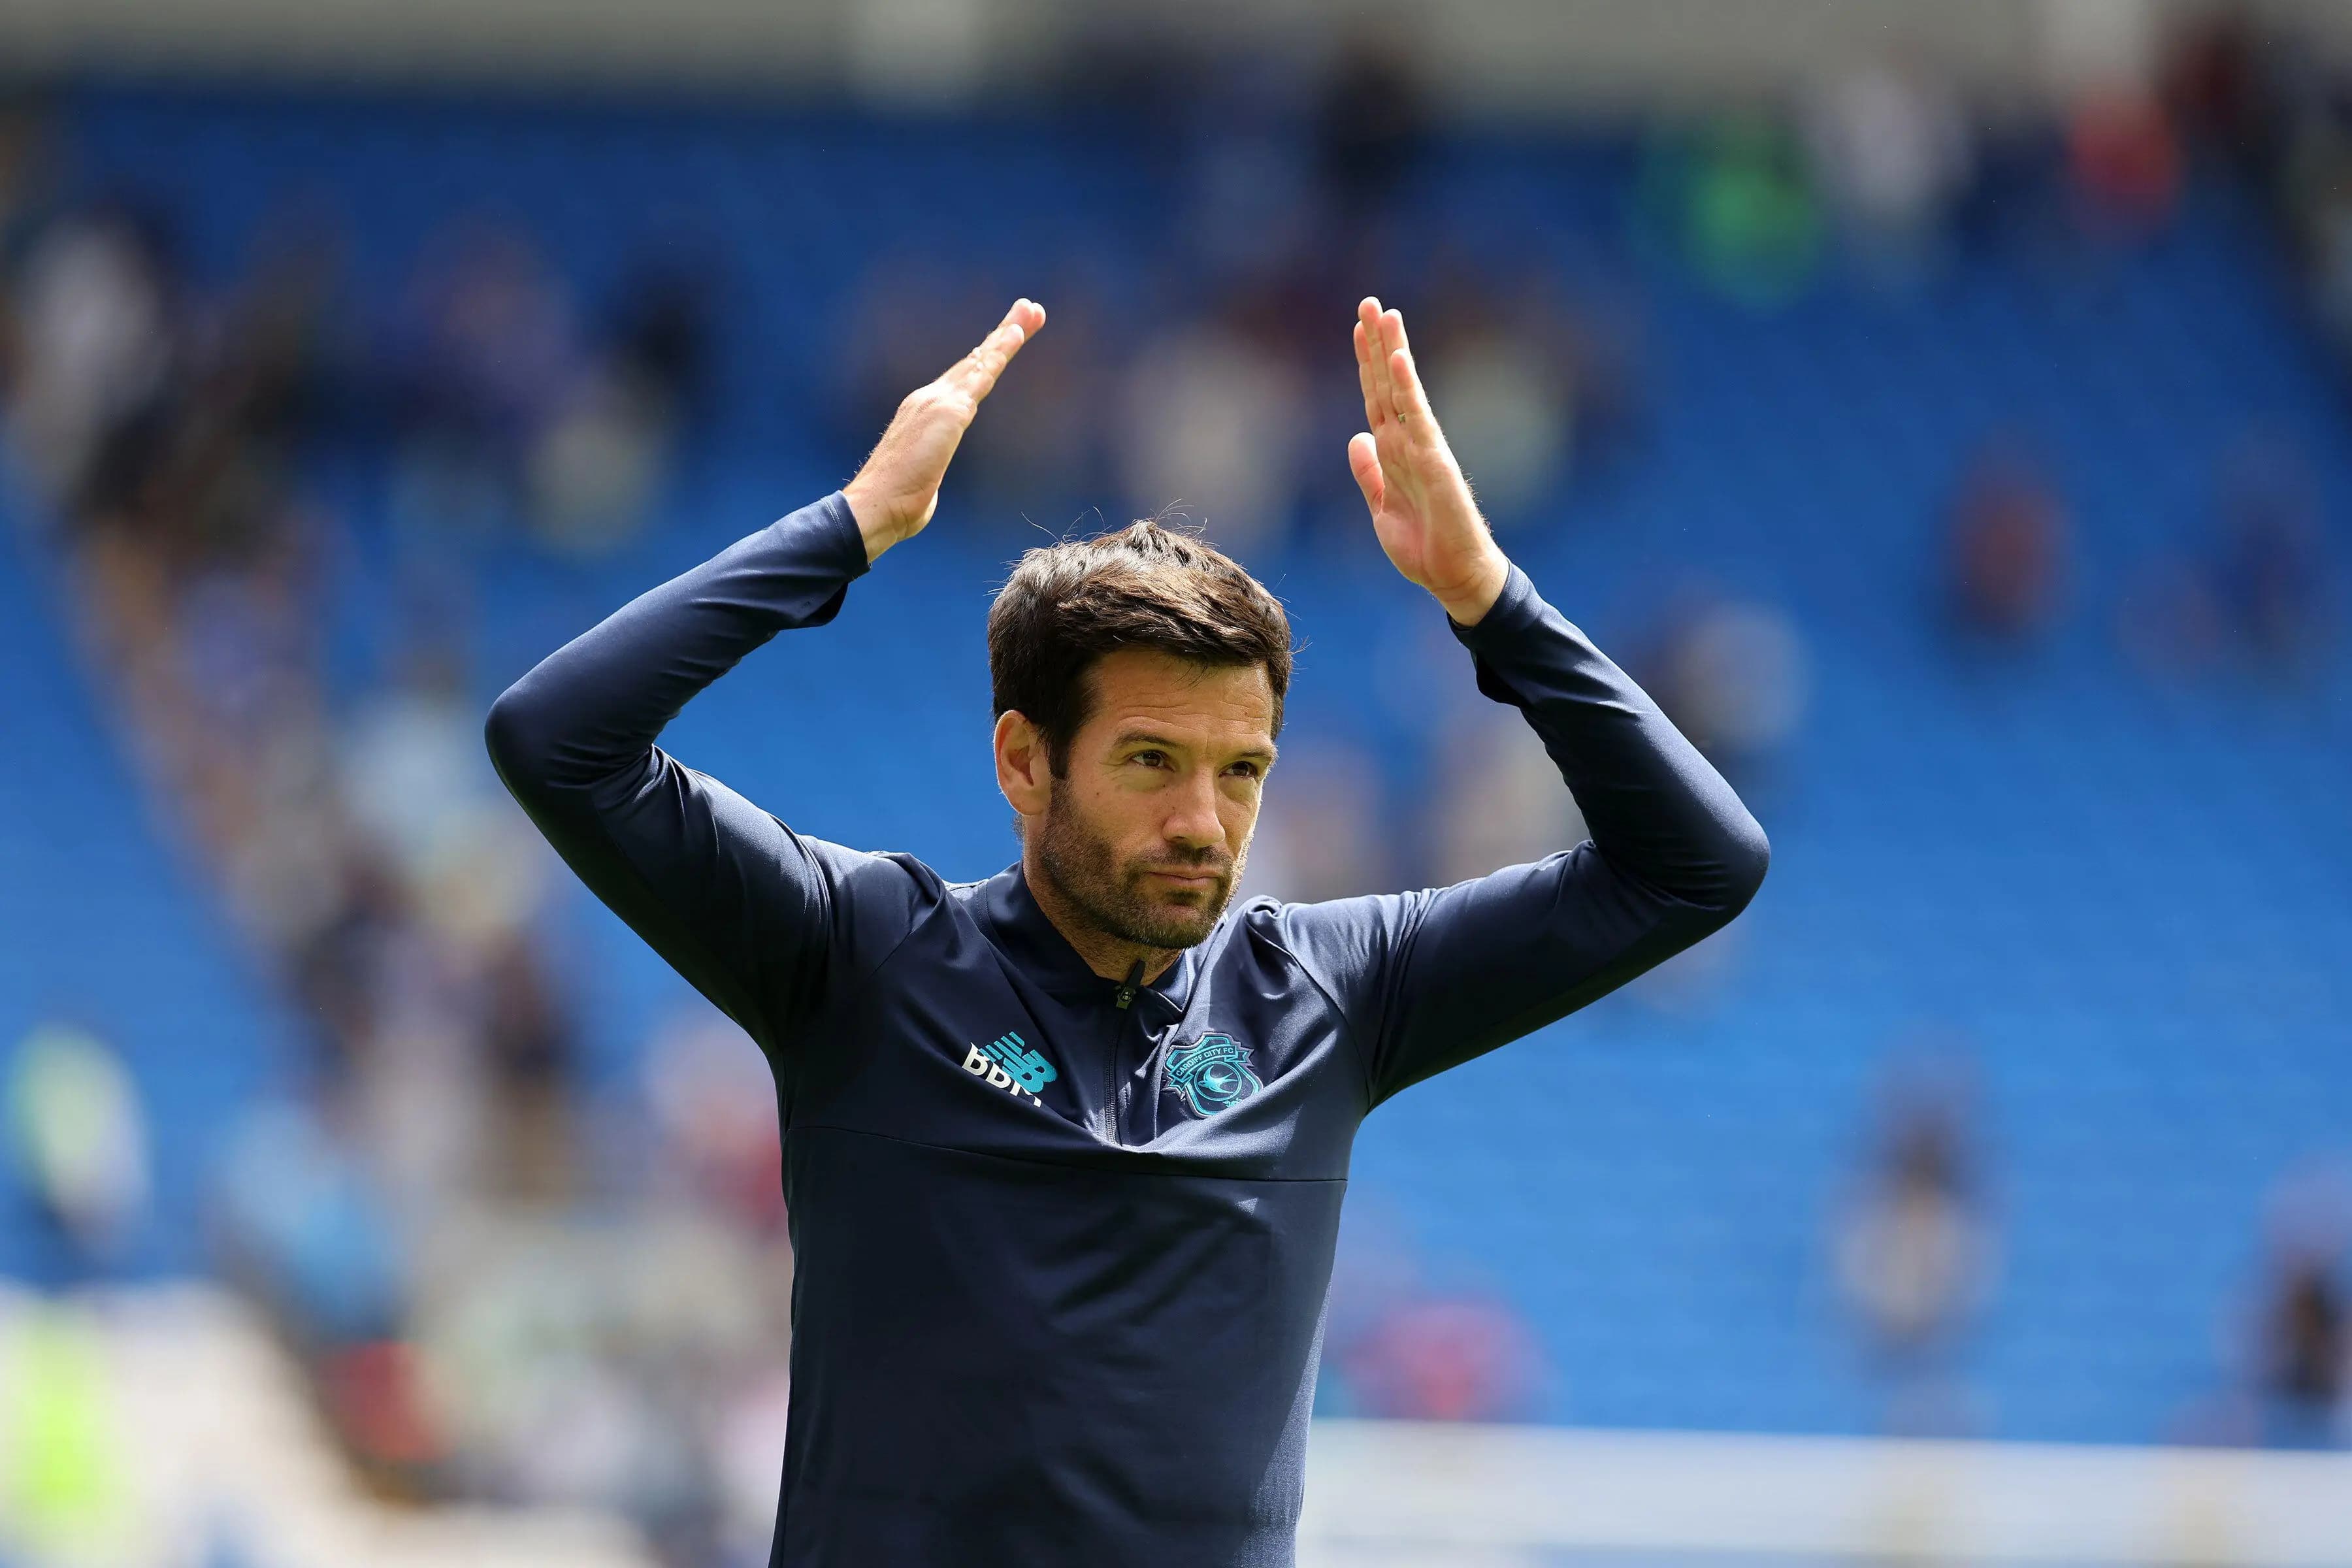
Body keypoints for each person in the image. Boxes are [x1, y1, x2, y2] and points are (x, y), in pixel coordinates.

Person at [485, 295, 1769, 1566]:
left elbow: (1696, 864)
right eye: (1153, 761)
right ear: (1023, 763)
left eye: (1242, 770)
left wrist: (1489, 600)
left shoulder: (1329, 995)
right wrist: (851, 527)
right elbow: (560, 741)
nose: (1206, 821)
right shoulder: (861, 954)